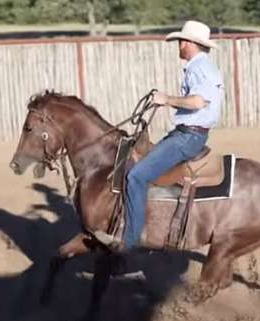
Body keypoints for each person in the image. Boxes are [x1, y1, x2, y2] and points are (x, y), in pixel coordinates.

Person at [96, 20, 224, 251]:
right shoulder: (205, 67)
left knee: (136, 177)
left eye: (181, 41)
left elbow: (197, 101)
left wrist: (166, 100)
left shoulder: (198, 68)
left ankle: (129, 241)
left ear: (189, 43)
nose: (179, 45)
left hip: (187, 137)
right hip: (188, 134)